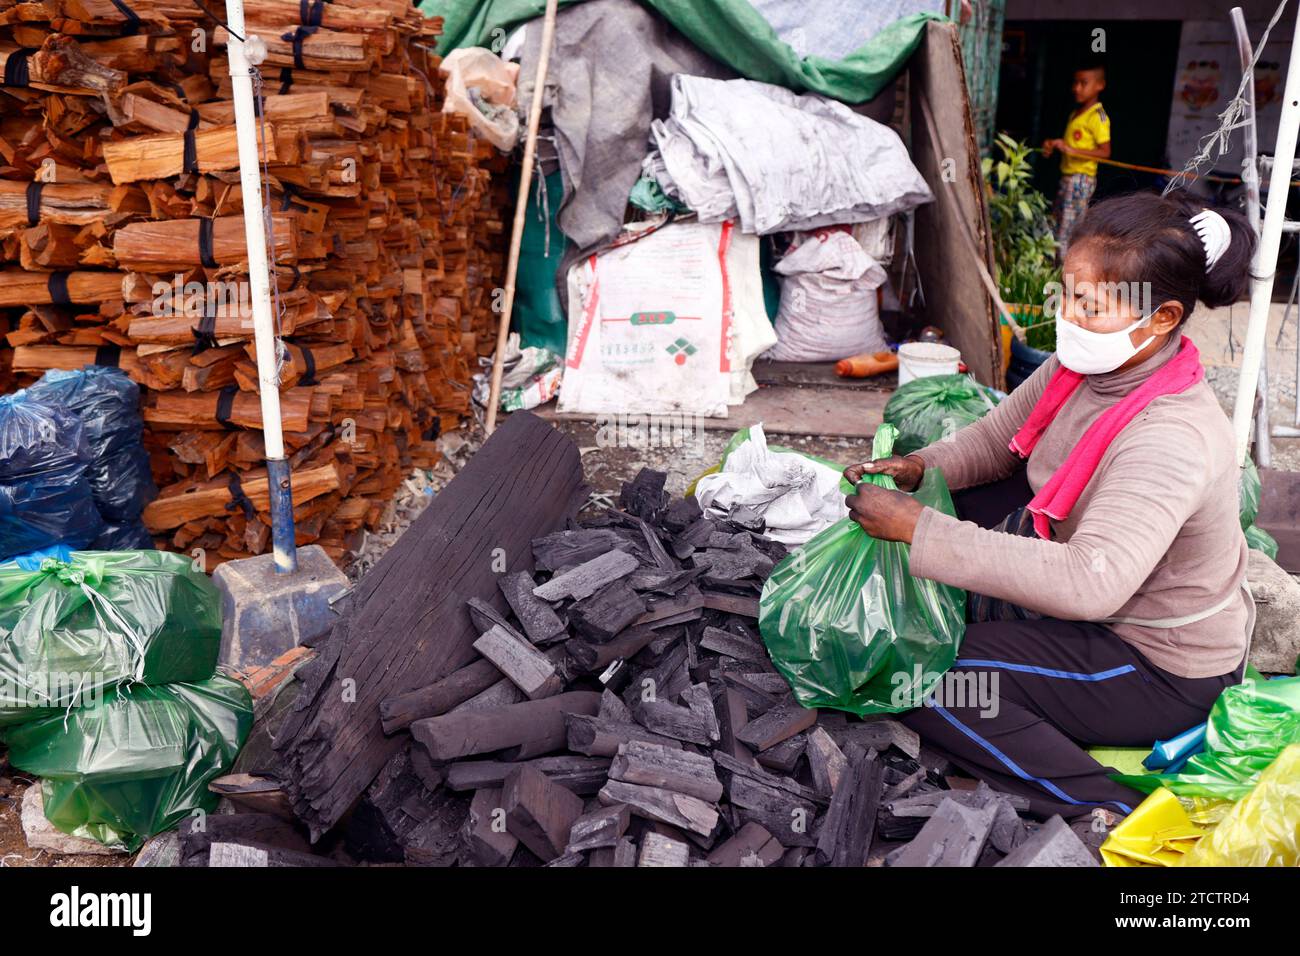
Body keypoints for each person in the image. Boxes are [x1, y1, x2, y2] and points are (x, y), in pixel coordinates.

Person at [842, 190, 1255, 821]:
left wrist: (921, 530)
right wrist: (921, 469)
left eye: (1090, 306)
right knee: (963, 493)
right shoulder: (1079, 369)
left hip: (1158, 661)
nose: (1066, 315)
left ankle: (1110, 807)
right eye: (1066, 293)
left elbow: (1093, 584)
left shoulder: (1172, 435)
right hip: (1098, 599)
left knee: (926, 674)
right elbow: (994, 443)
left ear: (1163, 318)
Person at [1043, 65, 1112, 256]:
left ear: (1100, 85)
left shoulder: (1099, 117)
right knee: (1058, 225)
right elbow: (1071, 144)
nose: (1077, 88)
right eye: (1075, 83)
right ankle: (1054, 270)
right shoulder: (1076, 114)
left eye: (1084, 83)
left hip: (1080, 180)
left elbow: (1105, 152)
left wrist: (1072, 150)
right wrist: (1056, 144)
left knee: (1068, 231)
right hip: (1068, 178)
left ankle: (1064, 275)